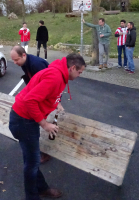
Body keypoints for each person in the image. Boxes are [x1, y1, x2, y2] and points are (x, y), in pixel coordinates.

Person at [9, 53, 86, 200]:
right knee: (31, 164)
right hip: (23, 121)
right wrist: (44, 124)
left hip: (24, 119)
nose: (79, 75)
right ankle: (33, 196)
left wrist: (56, 104)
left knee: (31, 160)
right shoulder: (55, 77)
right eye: (79, 72)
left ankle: (42, 188)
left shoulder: (60, 74)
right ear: (72, 67)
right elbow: (30, 100)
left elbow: (46, 93)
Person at [10, 46, 53, 164]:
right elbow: (32, 82)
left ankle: (45, 152)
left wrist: (55, 103)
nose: (15, 63)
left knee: (41, 123)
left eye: (16, 60)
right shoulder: (24, 63)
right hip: (37, 96)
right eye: (13, 60)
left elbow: (48, 84)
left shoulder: (36, 64)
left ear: (24, 55)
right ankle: (38, 148)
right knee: (35, 125)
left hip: (46, 98)